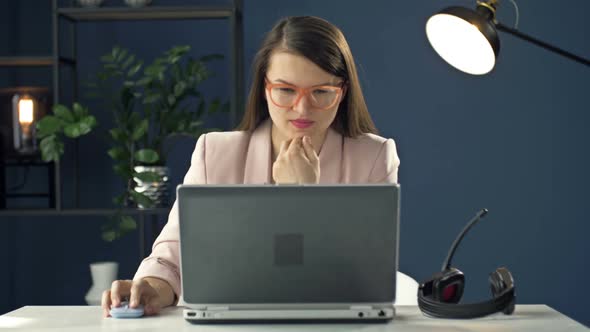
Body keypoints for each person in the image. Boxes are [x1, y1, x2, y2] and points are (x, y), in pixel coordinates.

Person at [101, 15, 400, 317]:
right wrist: (152, 286)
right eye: (285, 90)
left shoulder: (373, 156)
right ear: (264, 88)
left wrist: (303, 193)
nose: (302, 108)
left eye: (321, 92)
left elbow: (365, 270)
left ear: (342, 92)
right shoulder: (214, 152)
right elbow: (172, 256)